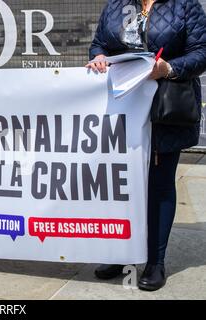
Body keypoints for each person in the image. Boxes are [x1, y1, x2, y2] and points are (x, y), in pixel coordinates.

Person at [86, 0, 206, 291]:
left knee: (159, 185)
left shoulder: (185, 6)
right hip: (121, 112)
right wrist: (99, 56)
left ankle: (155, 261)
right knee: (120, 186)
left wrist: (169, 68)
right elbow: (99, 43)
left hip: (164, 111)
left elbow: (201, 53)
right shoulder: (116, 5)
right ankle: (121, 254)